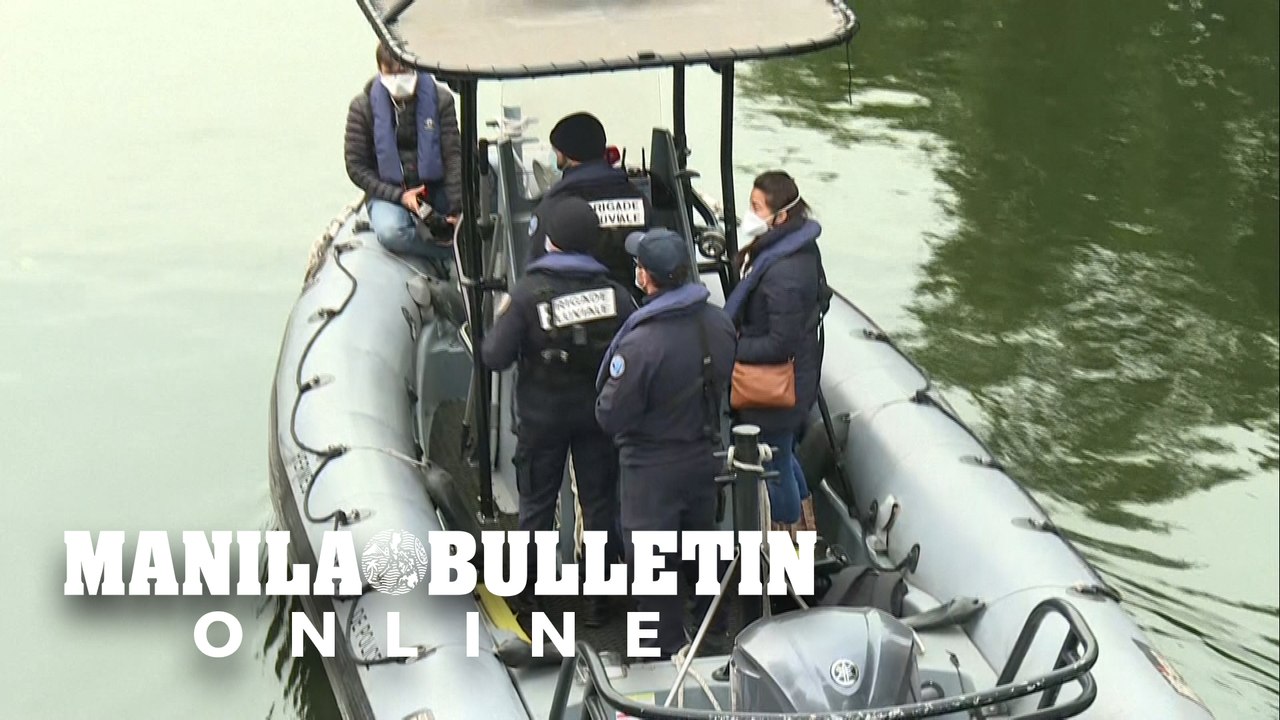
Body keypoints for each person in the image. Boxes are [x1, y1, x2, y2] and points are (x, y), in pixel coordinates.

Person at [480, 197, 635, 628]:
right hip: (596, 419)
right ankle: (602, 600)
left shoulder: (528, 295)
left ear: (549, 242)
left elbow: (494, 355)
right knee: (600, 504)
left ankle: (531, 597)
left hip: (541, 419)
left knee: (537, 506)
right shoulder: (618, 295)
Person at [595, 228, 736, 658]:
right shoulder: (719, 323)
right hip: (703, 456)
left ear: (645, 277)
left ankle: (662, 653)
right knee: (701, 548)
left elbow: (609, 414)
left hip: (652, 468)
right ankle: (715, 635)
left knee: (654, 566)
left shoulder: (640, 344)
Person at [721, 171, 830, 533]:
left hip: (778, 386)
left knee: (778, 463)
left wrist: (731, 346)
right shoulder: (791, 248)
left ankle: (790, 539)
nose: (749, 214)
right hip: (795, 377)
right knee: (784, 454)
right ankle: (805, 521)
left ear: (780, 216)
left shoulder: (784, 273)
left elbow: (778, 343)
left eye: (756, 207)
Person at [345, 43, 462, 264]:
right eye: (391, 73)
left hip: (432, 187)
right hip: (390, 192)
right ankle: (449, 253)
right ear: (380, 70)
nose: (399, 79)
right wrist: (400, 197)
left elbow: (453, 156)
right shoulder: (362, 108)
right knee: (391, 232)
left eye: (404, 72)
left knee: (466, 225)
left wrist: (457, 209)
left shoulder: (442, 101)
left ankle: (455, 245)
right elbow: (356, 167)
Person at [527, 112, 655, 301]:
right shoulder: (638, 198)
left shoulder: (554, 207)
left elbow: (536, 272)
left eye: (556, 152)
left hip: (575, 313)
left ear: (566, 154)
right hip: (636, 311)